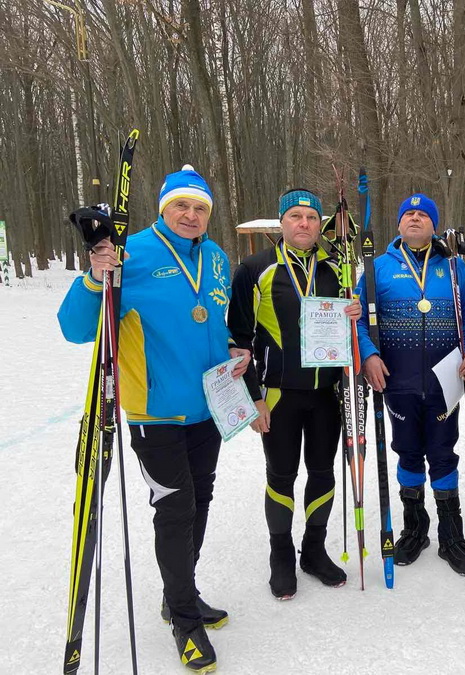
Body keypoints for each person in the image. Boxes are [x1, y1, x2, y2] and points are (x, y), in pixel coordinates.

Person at [58, 166, 250, 673]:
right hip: (155, 412)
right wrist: (95, 278)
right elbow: (75, 329)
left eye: (201, 208)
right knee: (176, 509)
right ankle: (185, 619)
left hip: (208, 407)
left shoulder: (215, 256)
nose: (191, 216)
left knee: (201, 501)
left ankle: (178, 593)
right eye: (181, 206)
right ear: (162, 208)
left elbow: (213, 319)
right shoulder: (131, 253)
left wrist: (231, 347)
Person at [228, 188, 362, 600]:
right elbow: (238, 339)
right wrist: (253, 397)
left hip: (326, 394)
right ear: (282, 222)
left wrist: (354, 311)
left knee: (323, 472)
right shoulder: (255, 267)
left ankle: (314, 551)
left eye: (310, 217)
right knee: (281, 476)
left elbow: (351, 330)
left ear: (319, 223)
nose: (303, 224)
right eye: (295, 217)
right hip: (279, 395)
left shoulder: (337, 267)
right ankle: (281, 554)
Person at [355, 194, 465, 576]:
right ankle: (414, 528)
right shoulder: (378, 269)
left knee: (443, 453)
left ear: (434, 225)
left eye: (423, 215)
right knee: (407, 452)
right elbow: (357, 318)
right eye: (408, 213)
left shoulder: (455, 268)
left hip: (446, 380)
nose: (414, 218)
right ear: (398, 224)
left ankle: (452, 534)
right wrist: (369, 355)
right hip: (398, 380)